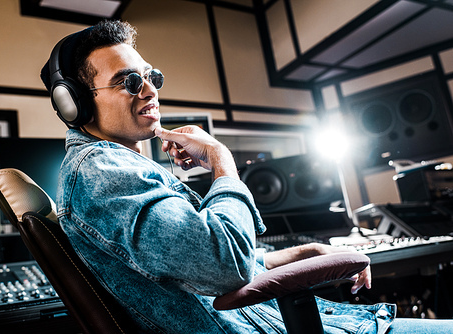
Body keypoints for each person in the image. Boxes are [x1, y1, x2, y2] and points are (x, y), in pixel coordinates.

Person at [40, 20, 453, 333]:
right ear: (74, 104)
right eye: (128, 82)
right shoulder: (104, 175)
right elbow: (225, 266)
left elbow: (198, 269)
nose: (150, 91)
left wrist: (297, 254)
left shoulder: (120, 168)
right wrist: (222, 161)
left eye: (152, 77)